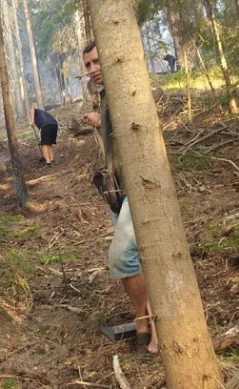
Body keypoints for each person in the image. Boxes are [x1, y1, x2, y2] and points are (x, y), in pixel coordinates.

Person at [82, 41, 159, 354]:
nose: (93, 69)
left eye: (97, 61)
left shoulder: (126, 88)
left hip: (141, 185)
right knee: (136, 258)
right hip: (119, 187)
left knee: (121, 256)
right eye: (87, 65)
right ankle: (147, 320)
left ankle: (149, 320)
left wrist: (100, 121)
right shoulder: (103, 96)